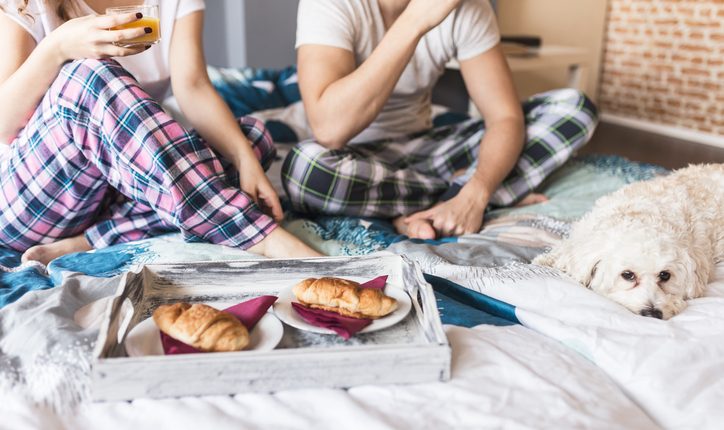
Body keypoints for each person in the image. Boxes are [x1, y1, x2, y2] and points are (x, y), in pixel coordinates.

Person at [0, 0, 322, 265]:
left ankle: (94, 238)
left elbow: (193, 86)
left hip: (117, 189)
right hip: (34, 197)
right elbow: (4, 125)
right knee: (91, 74)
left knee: (251, 140)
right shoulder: (29, 4)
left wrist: (242, 157)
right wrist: (58, 47)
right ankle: (257, 235)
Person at [283, 0, 599, 240]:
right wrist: (416, 21)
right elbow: (329, 129)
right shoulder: (330, 4)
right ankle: (470, 197)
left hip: (428, 150)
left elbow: (504, 116)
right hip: (351, 158)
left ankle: (450, 202)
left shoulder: (467, 8)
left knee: (575, 107)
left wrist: (477, 191)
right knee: (305, 169)